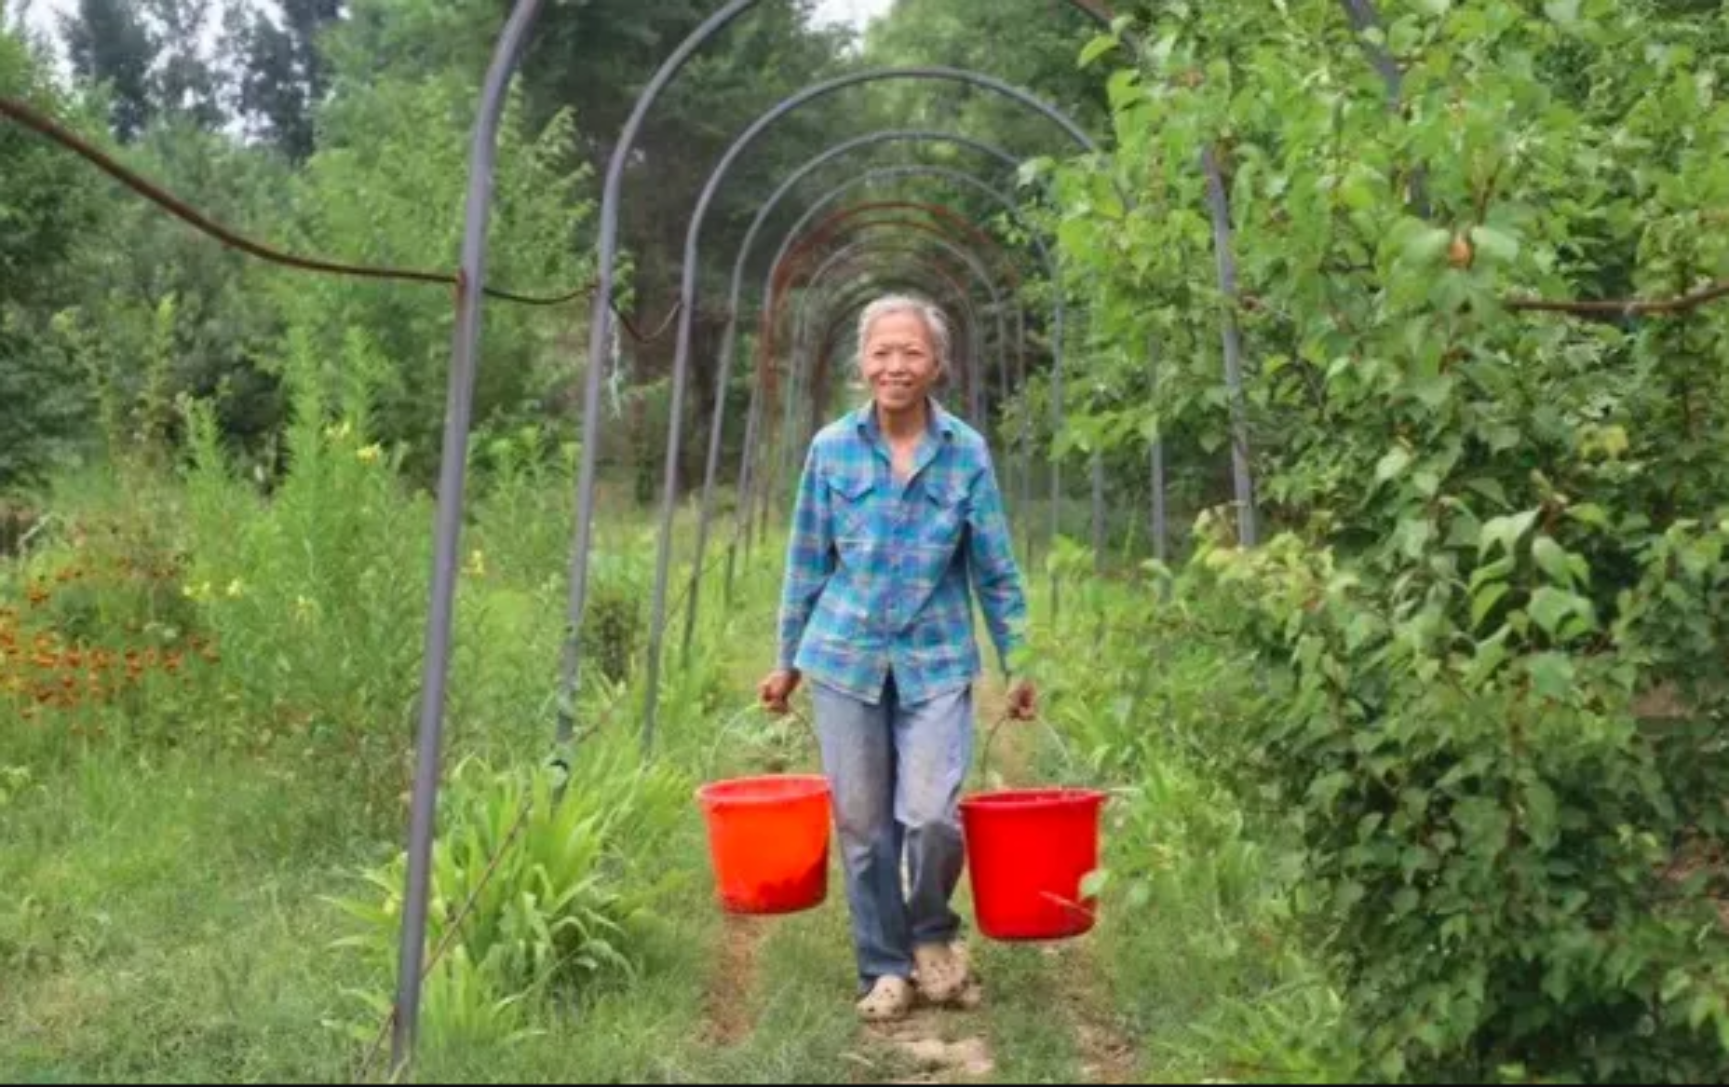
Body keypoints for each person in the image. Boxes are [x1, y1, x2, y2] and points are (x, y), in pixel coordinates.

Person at [759, 293, 1036, 1023]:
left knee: (932, 815)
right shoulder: (831, 450)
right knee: (862, 824)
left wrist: (1019, 658)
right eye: (882, 352)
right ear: (862, 363)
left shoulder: (966, 452)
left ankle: (931, 932)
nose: (896, 365)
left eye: (911, 351)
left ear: (937, 364)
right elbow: (805, 562)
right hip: (844, 657)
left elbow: (996, 567)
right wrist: (786, 659)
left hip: (936, 657)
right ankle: (884, 966)